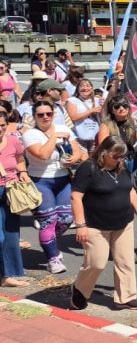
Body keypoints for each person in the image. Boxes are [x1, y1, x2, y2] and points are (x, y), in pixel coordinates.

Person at [68, 137, 137, 311]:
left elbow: (130, 189)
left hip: (123, 222)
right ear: (103, 152)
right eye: (115, 156)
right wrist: (80, 224)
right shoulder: (88, 168)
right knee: (96, 263)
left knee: (125, 261)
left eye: (122, 156)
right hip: (96, 225)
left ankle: (126, 297)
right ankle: (80, 289)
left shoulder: (121, 167)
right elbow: (76, 197)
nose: (119, 160)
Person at [24, 100, 86, 274]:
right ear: (34, 117)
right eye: (40, 115)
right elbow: (43, 154)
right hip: (40, 180)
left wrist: (74, 158)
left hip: (63, 179)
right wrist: (53, 136)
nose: (45, 117)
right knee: (48, 221)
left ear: (54, 114)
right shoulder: (30, 134)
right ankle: (53, 258)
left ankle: (49, 241)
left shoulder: (64, 130)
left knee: (66, 219)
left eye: (49, 114)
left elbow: (78, 151)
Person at [0, 101, 29, 287]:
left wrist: (23, 173)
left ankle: (9, 274)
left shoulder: (12, 140)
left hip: (10, 190)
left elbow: (19, 160)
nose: (0, 129)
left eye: (2, 125)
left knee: (11, 234)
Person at [97, 95, 137, 173]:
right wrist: (115, 160)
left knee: (133, 183)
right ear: (112, 110)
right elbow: (103, 146)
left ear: (128, 108)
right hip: (114, 160)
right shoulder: (106, 125)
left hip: (132, 159)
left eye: (125, 106)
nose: (121, 108)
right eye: (117, 107)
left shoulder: (136, 123)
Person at [65, 78, 102, 155]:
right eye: (82, 86)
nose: (85, 88)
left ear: (92, 88)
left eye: (88, 86)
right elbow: (74, 117)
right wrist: (91, 111)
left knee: (94, 160)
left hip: (95, 135)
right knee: (83, 161)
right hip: (79, 136)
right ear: (77, 89)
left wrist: (104, 104)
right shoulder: (72, 100)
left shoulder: (98, 100)